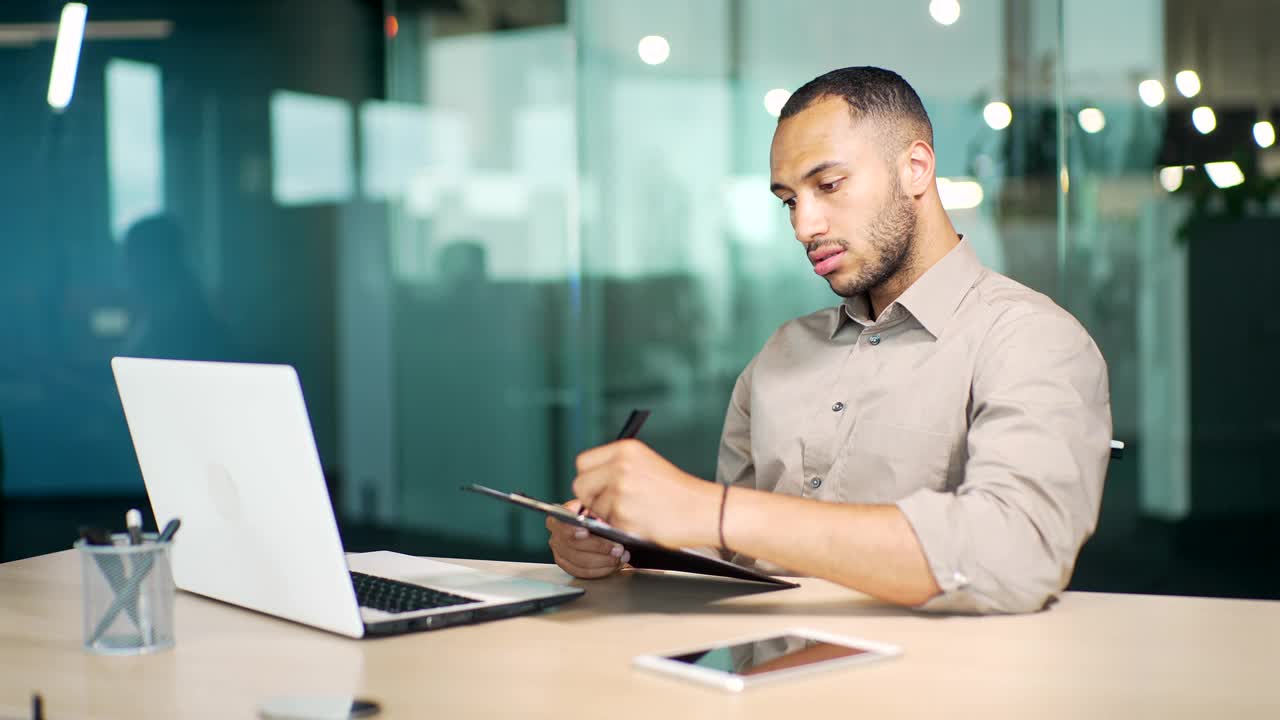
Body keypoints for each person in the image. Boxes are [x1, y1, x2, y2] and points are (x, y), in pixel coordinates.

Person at [545, 67, 1111, 614]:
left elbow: (1018, 553)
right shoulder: (781, 354)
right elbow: (733, 555)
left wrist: (712, 511)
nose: (804, 226)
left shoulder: (1032, 339)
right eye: (790, 199)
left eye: (829, 185)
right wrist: (624, 541)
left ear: (916, 168)